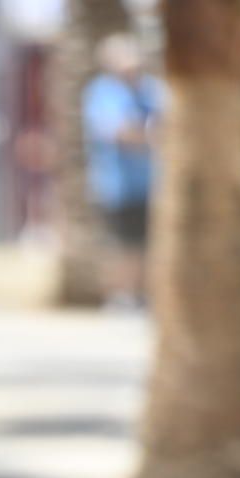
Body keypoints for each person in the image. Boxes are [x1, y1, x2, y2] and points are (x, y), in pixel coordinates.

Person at [82, 33, 163, 309]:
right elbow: (116, 131)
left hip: (151, 181)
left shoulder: (151, 89)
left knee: (148, 241)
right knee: (122, 242)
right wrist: (147, 135)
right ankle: (123, 294)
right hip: (116, 184)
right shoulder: (102, 92)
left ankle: (143, 293)